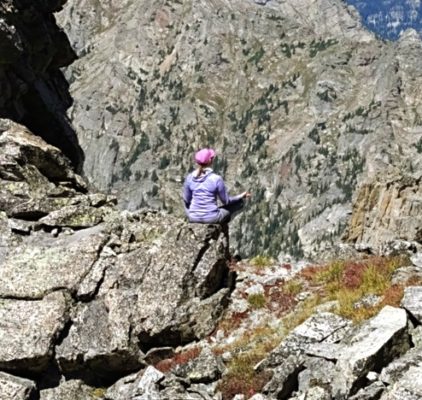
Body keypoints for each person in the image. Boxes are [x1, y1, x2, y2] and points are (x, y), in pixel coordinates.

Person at [183, 148, 251, 224]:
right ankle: (222, 224)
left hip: (193, 218)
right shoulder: (216, 179)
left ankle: (195, 216)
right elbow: (226, 201)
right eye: (212, 158)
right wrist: (241, 196)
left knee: (185, 203)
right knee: (239, 203)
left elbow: (186, 200)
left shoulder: (189, 178)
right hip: (212, 218)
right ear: (209, 161)